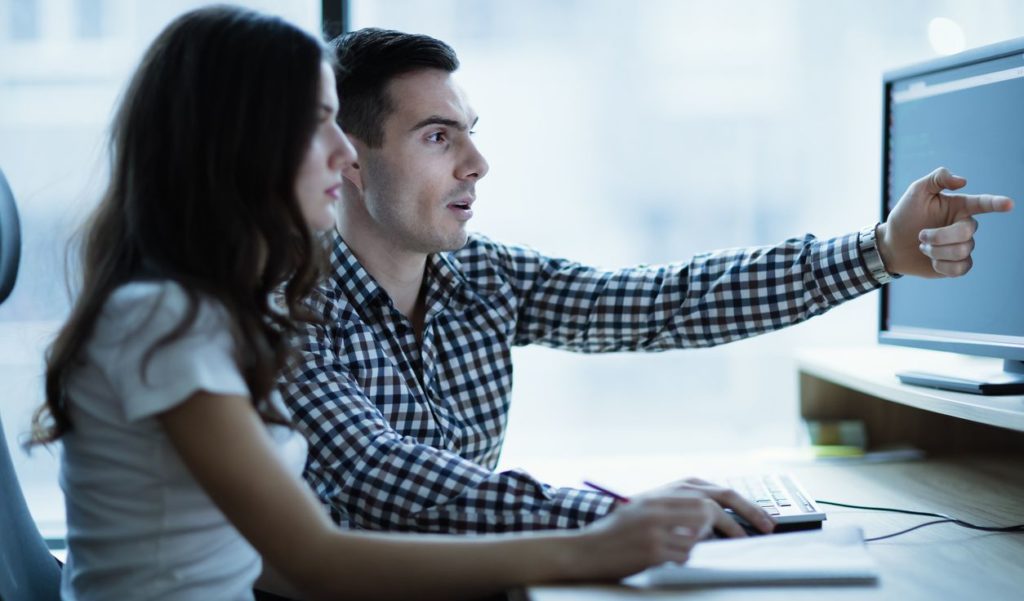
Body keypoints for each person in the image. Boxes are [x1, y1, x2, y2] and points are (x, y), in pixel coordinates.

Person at [31, 7, 751, 601]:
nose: (344, 153)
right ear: (240, 144)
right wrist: (596, 540)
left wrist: (606, 532)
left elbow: (266, 562)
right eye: (318, 122)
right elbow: (319, 556)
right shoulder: (166, 320)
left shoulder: (220, 311)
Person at [280, 28, 1015, 535]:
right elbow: (389, 480)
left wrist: (880, 250)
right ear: (349, 156)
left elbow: (665, 302)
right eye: (440, 136)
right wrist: (620, 511)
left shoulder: (483, 275)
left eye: (473, 131)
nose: (477, 163)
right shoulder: (291, 304)